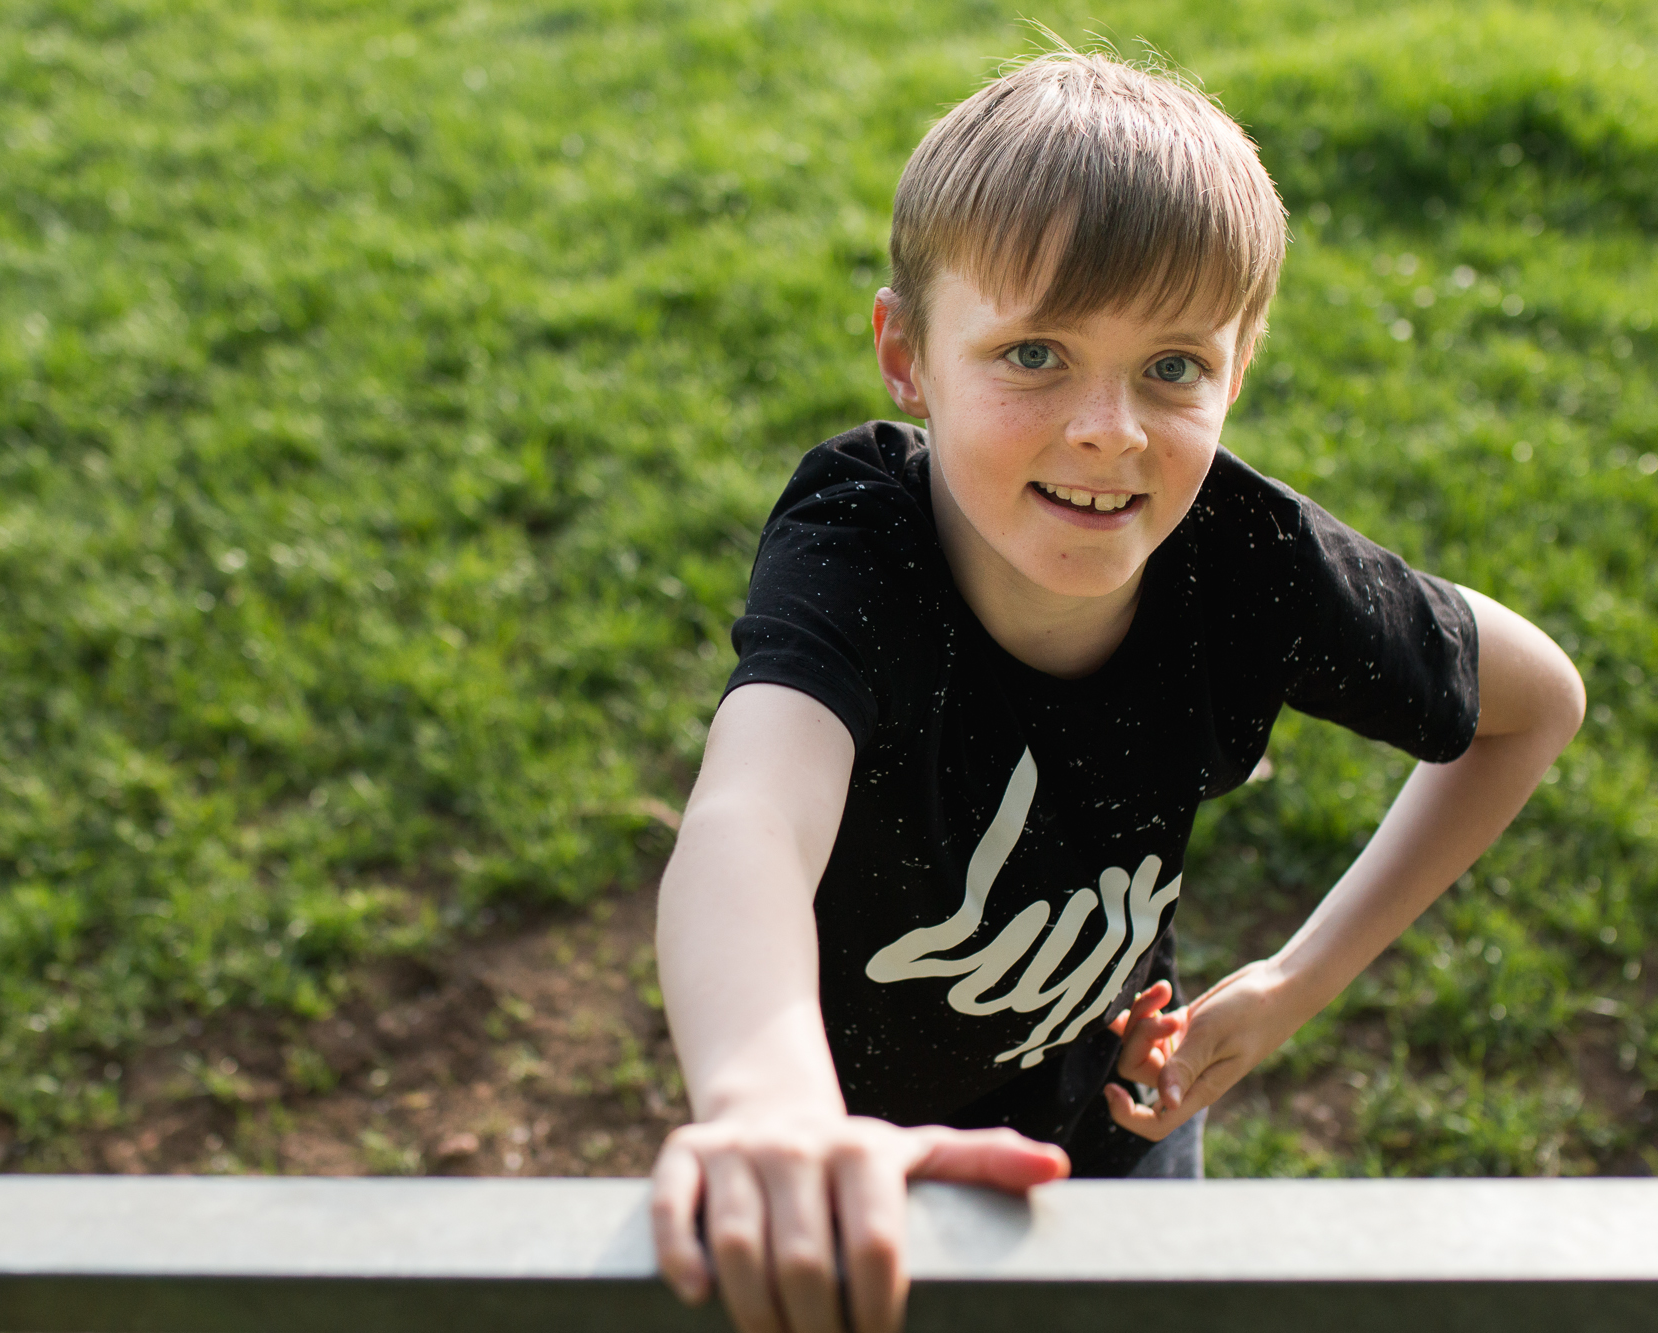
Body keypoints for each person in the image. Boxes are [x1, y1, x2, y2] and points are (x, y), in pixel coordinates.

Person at [649, 48, 1585, 1333]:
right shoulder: (858, 541)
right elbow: (749, 814)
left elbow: (1534, 705)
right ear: (905, 353)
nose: (1110, 428)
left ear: (1237, 369)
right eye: (1033, 352)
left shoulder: (1245, 565)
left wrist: (1293, 982)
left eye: (1172, 367)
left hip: (1107, 1156)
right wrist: (767, 1108)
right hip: (842, 1168)